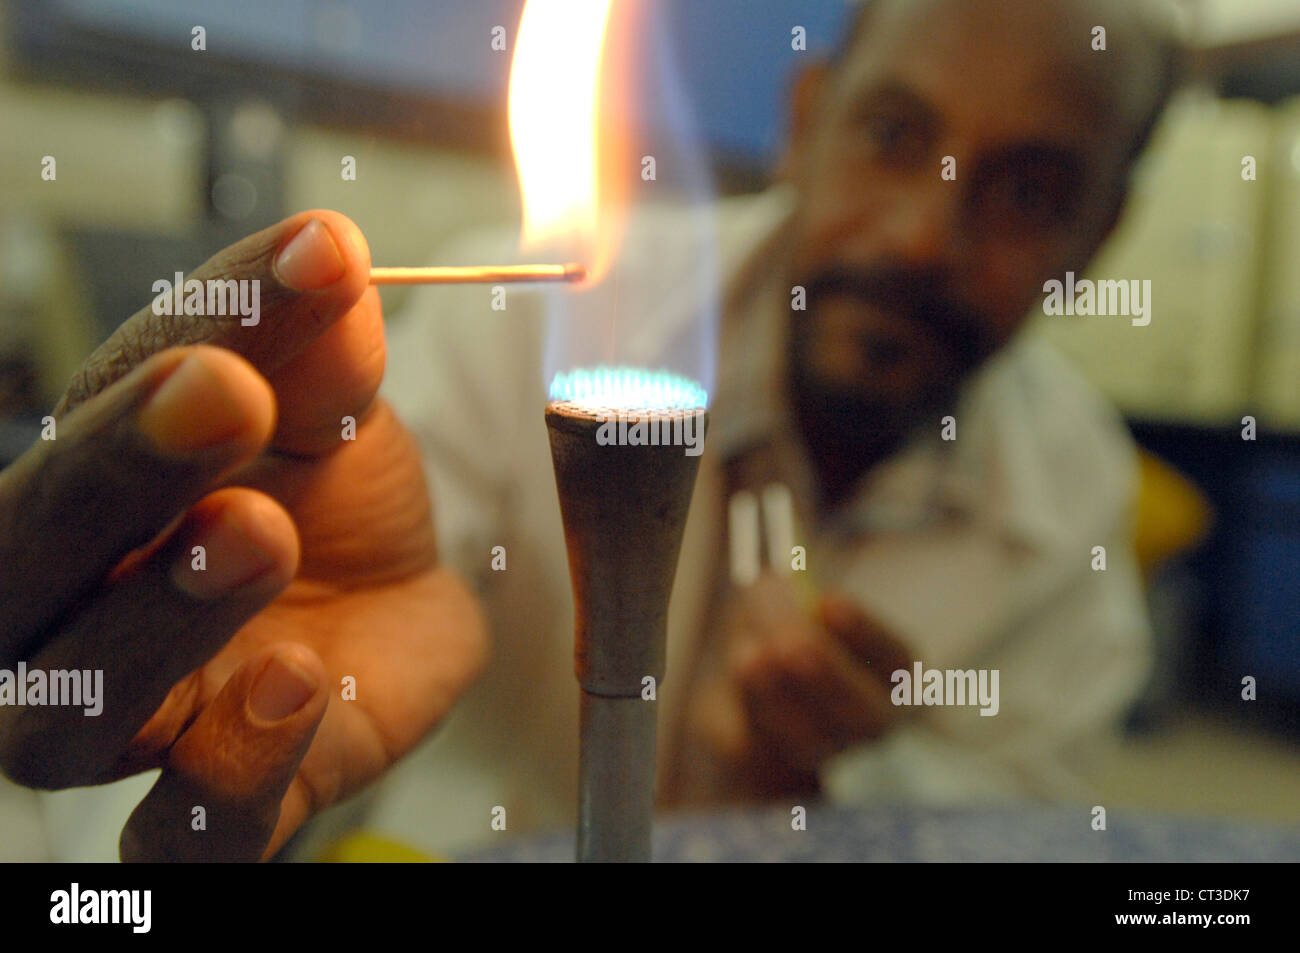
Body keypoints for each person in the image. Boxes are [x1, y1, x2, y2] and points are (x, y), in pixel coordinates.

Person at [0, 0, 1180, 860]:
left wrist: (846, 780)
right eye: (890, 133)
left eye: (1026, 190)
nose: (924, 234)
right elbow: (312, 616)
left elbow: (1043, 826)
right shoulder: (504, 325)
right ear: (808, 117)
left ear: (1103, 231)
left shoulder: (1072, 485)